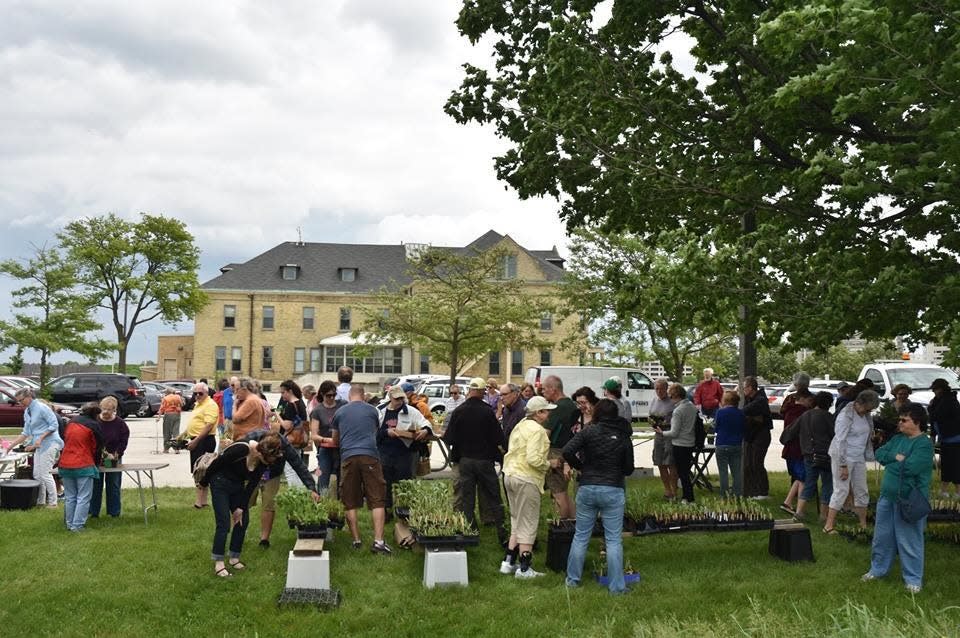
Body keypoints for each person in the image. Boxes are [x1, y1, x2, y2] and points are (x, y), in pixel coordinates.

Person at [563, 399, 634, 594]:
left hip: (587, 486)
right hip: (613, 488)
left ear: (597, 413)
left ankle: (572, 580)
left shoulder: (588, 431)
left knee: (581, 536)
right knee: (613, 540)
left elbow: (567, 451)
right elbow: (629, 469)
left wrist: (581, 467)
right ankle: (617, 587)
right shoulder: (623, 436)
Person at [862, 402, 934, 593]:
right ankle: (877, 570)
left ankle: (913, 580)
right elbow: (880, 453)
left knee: (909, 540)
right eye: (900, 419)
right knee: (882, 537)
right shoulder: (898, 439)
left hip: (910, 500)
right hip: (887, 497)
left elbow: (910, 468)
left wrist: (893, 461)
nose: (900, 423)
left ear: (917, 422)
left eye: (905, 420)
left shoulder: (924, 444)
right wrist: (898, 457)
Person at [200, 433, 285, 577]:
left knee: (242, 520)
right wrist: (203, 483)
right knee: (224, 524)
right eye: (267, 460)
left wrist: (240, 507)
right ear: (260, 452)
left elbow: (251, 485)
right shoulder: (240, 449)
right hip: (220, 482)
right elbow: (216, 465)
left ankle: (234, 557)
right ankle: (219, 562)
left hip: (237, 486)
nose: (268, 463)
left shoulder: (263, 463)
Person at [441, 377, 507, 544]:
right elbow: (498, 437)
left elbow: (449, 438)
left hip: (465, 461)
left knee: (467, 498)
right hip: (484, 460)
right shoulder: (487, 412)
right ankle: (502, 533)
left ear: (469, 391)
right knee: (493, 496)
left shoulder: (458, 411)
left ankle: (470, 532)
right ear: (483, 392)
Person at [331, 383, 391, 553]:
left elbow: (335, 440)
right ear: (363, 396)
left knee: (349, 498)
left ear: (349, 397)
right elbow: (374, 431)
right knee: (377, 497)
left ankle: (356, 540)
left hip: (348, 456)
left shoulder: (340, 412)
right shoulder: (373, 411)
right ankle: (378, 542)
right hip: (370, 455)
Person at [240, 424, 322, 548]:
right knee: (244, 502)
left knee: (269, 504)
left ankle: (264, 540)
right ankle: (239, 533)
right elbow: (237, 457)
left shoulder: (285, 446)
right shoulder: (251, 439)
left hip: (272, 474)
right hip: (252, 472)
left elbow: (298, 465)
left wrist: (312, 488)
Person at [499, 396, 554, 578]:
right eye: (546, 410)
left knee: (516, 519)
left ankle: (508, 562)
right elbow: (533, 459)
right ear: (538, 413)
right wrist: (549, 464)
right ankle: (524, 568)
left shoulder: (521, 424)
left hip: (510, 475)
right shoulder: (538, 431)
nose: (549, 413)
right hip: (526, 478)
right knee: (528, 522)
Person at [823, 389, 880, 532]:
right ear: (860, 403)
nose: (869, 411)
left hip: (858, 456)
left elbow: (865, 433)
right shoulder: (845, 416)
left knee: (861, 490)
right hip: (843, 456)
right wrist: (843, 465)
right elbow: (840, 441)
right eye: (868, 408)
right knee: (841, 489)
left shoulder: (866, 415)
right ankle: (828, 525)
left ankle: (863, 525)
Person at [378, 386, 432, 516]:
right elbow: (372, 431)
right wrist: (386, 432)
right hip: (384, 452)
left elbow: (426, 423)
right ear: (390, 398)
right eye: (397, 399)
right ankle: (386, 510)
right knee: (385, 482)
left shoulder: (411, 411)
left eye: (402, 398)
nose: (400, 401)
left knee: (405, 482)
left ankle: (404, 510)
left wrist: (425, 430)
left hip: (405, 453)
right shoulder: (379, 411)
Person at [9, 387, 63, 508]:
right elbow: (26, 432)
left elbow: (54, 425)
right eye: (18, 401)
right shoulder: (27, 411)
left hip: (50, 443)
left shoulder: (42, 408)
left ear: (29, 397)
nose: (19, 403)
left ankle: (53, 502)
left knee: (45, 473)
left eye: (21, 400)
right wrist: (11, 445)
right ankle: (41, 501)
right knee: (37, 474)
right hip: (39, 445)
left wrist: (40, 438)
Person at [58, 403, 104, 532]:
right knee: (83, 497)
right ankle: (77, 526)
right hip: (83, 464)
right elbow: (97, 448)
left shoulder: (72, 422)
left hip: (65, 463)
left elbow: (64, 439)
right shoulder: (94, 425)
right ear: (96, 414)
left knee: (70, 496)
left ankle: (69, 524)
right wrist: (96, 463)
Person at [792, 391, 836, 524]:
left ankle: (799, 512)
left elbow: (790, 431)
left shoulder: (805, 415)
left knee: (809, 482)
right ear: (828, 404)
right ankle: (823, 515)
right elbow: (834, 435)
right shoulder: (828, 416)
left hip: (808, 454)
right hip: (825, 454)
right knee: (827, 483)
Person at [541, 375, 578, 518]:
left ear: (553, 389)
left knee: (558, 494)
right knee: (564, 492)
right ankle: (573, 523)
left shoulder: (557, 408)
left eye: (544, 389)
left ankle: (562, 526)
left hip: (556, 453)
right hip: (570, 452)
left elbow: (545, 433)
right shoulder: (571, 405)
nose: (542, 392)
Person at [655, 383, 697, 503]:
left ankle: (688, 498)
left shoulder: (678, 411)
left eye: (671, 396)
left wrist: (661, 432)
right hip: (690, 442)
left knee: (682, 473)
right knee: (685, 472)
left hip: (679, 444)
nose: (671, 399)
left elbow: (674, 433)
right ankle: (687, 496)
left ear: (676, 395)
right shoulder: (691, 406)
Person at [89, 397, 129, 518]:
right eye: (103, 409)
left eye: (109, 409)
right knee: (96, 485)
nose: (105, 412)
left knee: (113, 485)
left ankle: (114, 512)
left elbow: (123, 441)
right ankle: (93, 512)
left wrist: (116, 454)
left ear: (114, 410)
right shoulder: (95, 422)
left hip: (113, 458)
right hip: (96, 458)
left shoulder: (120, 424)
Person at [180, 382, 219, 508]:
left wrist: (195, 441)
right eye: (195, 393)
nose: (197, 395)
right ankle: (203, 501)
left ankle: (199, 502)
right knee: (200, 470)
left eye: (200, 393)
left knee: (200, 470)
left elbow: (208, 426)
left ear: (206, 393)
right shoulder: (198, 404)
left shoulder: (210, 405)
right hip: (196, 439)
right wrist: (181, 436)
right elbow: (194, 423)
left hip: (204, 440)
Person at [779, 373, 813, 514]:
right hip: (801, 446)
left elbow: (782, 413)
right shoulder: (805, 410)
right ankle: (800, 506)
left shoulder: (789, 402)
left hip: (789, 444)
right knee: (802, 477)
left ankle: (788, 502)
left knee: (799, 477)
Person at [309, 380, 346, 493]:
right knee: (323, 476)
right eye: (328, 395)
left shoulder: (343, 405)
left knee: (343, 478)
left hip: (341, 447)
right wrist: (327, 439)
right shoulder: (317, 411)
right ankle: (322, 500)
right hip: (325, 448)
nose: (331, 398)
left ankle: (343, 502)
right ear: (322, 395)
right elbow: (314, 435)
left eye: (334, 395)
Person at [741, 376, 773, 500]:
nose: (743, 390)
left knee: (757, 463)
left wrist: (748, 417)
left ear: (750, 388)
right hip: (751, 435)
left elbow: (744, 411)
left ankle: (763, 492)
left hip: (761, 435)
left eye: (744, 388)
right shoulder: (750, 399)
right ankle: (752, 490)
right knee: (749, 464)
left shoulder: (760, 400)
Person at [928, 378, 960, 499]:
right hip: (946, 439)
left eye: (936, 389)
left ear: (940, 389)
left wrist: (930, 408)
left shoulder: (949, 401)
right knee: (947, 465)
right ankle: (945, 490)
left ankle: (956, 491)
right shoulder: (940, 400)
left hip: (954, 438)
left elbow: (936, 416)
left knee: (954, 465)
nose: (935, 392)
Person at [276, 379, 309, 489]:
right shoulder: (301, 403)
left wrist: (277, 415)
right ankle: (302, 492)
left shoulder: (291, 405)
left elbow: (287, 426)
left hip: (291, 440)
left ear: (289, 391)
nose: (282, 395)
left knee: (289, 470)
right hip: (300, 439)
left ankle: (295, 494)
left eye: (283, 392)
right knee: (298, 467)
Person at [648, 378, 677, 500]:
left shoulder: (673, 401)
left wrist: (666, 422)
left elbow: (677, 418)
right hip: (658, 434)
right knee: (660, 462)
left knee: (670, 463)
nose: (659, 391)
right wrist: (652, 421)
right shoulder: (654, 400)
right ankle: (667, 490)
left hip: (669, 434)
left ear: (667, 389)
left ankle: (674, 490)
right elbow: (650, 414)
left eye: (661, 389)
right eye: (657, 389)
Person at [713, 390, 745, 498]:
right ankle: (737, 494)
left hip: (722, 443)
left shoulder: (720, 412)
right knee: (736, 472)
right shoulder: (741, 413)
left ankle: (724, 494)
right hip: (736, 444)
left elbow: (716, 428)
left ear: (725, 400)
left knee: (723, 472)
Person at [156, 387, 183, 454]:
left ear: (167, 392)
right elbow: (182, 404)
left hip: (168, 415)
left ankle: (166, 449)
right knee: (176, 432)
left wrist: (158, 417)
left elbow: (162, 408)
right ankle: (176, 449)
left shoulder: (165, 398)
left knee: (167, 432)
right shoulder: (178, 397)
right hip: (177, 414)